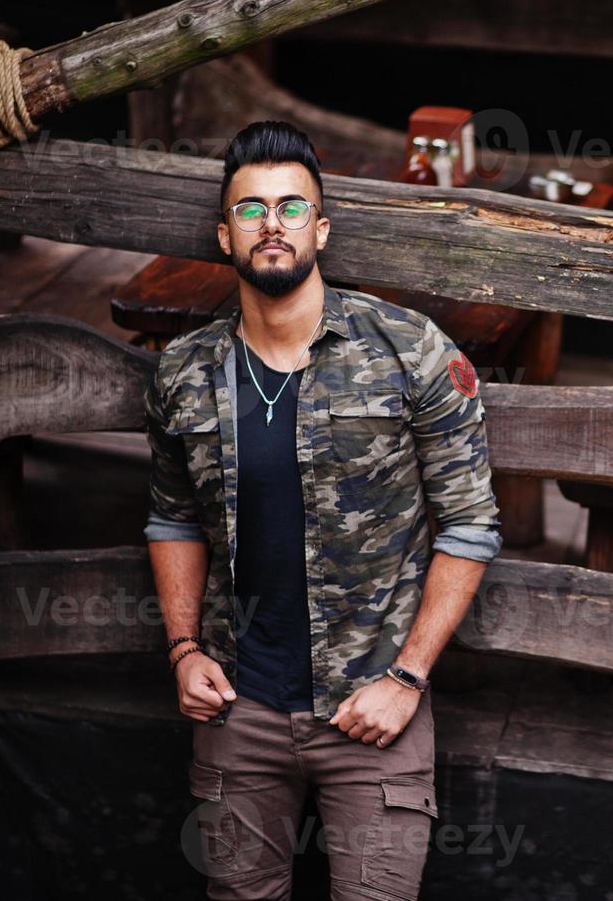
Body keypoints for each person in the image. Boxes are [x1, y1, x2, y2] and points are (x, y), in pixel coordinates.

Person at [143, 120, 502, 899]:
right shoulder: (182, 374)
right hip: (238, 708)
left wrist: (406, 678)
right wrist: (182, 651)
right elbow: (173, 520)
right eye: (251, 210)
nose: (272, 224)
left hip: (372, 710)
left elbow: (471, 526)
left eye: (292, 207)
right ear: (224, 235)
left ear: (321, 228)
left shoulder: (411, 352)